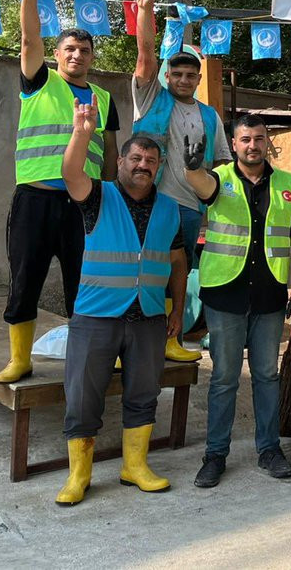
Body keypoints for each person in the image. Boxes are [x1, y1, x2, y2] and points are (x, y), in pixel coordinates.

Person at [56, 102, 187, 506]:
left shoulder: (169, 209)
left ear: (159, 167)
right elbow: (71, 173)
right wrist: (82, 133)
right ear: (121, 162)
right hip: (96, 314)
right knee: (83, 395)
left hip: (148, 316)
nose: (143, 165)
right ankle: (79, 475)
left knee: (144, 393)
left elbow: (177, 261)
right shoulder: (98, 195)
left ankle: (135, 466)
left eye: (151, 160)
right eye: (136, 158)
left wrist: (178, 309)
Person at [0, 0, 120, 384]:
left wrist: (109, 200)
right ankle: (20, 359)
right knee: (25, 279)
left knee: (85, 284)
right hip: (34, 199)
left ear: (92, 57)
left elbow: (109, 155)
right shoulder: (40, 81)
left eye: (84, 50)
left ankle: (91, 355)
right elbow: (28, 39)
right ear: (57, 54)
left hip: (82, 206)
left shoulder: (104, 98)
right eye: (69, 49)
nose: (77, 55)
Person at [183, 114, 291, 487]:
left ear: (267, 142)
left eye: (258, 138)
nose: (252, 145)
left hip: (270, 296)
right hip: (225, 294)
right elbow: (202, 185)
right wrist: (191, 168)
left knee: (267, 376)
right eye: (245, 139)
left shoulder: (288, 185)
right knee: (224, 378)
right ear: (234, 144)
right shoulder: (219, 178)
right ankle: (215, 455)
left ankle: (269, 450)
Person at [131, 0, 230, 363]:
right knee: (141, 271)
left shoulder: (209, 115)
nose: (184, 80)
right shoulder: (150, 98)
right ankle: (134, 341)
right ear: (167, 76)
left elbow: (221, 165)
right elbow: (144, 56)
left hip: (189, 210)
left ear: (199, 80)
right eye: (177, 74)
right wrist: (145, 10)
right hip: (149, 201)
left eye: (191, 76)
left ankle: (171, 340)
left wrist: (214, 208)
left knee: (178, 276)